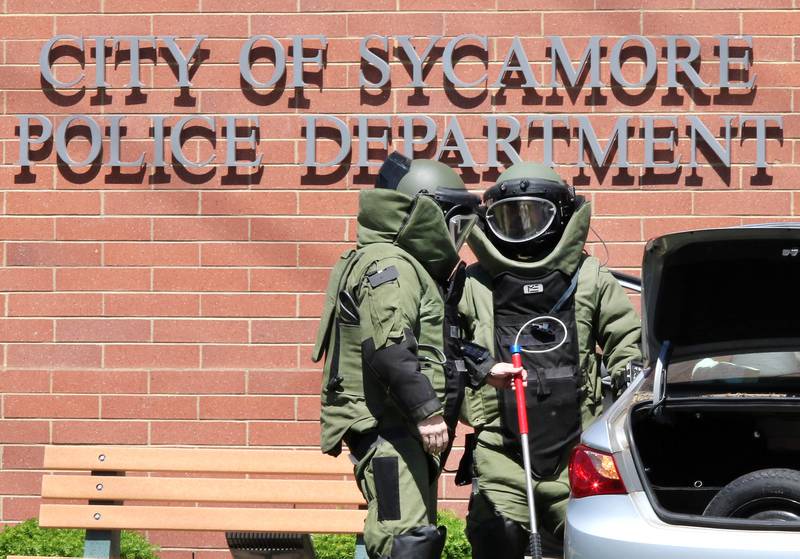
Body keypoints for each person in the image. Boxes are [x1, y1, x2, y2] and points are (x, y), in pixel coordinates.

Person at [312, 153, 524, 559]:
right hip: (388, 427)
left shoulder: (407, 264)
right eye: (453, 222)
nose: (457, 236)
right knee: (403, 540)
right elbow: (388, 348)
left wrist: (482, 367)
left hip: (402, 425)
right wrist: (427, 411)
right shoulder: (391, 265)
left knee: (414, 535)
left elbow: (430, 343)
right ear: (424, 212)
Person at [458, 163, 642, 558]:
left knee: (594, 541)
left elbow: (627, 341)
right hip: (500, 451)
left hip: (578, 451)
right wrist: (478, 365)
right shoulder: (474, 283)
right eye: (510, 219)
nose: (522, 229)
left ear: (559, 217)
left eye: (533, 217)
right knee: (495, 534)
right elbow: (447, 344)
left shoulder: (589, 277)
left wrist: (629, 397)